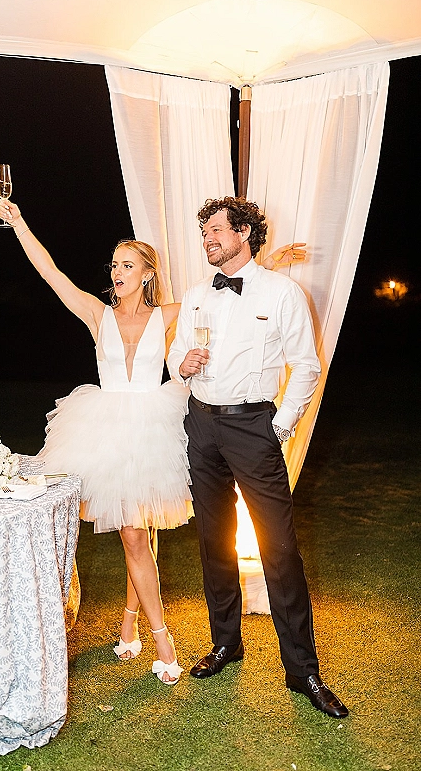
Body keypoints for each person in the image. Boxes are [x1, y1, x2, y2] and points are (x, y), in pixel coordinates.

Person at [0, 196, 304, 687]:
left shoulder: (170, 315)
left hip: (154, 430)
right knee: (134, 534)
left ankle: (129, 620)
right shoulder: (96, 314)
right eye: (114, 264)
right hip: (104, 431)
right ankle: (162, 639)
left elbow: (233, 300)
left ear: (145, 273)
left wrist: (272, 264)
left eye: (126, 264)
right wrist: (19, 223)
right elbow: (50, 273)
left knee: (140, 532)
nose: (116, 271)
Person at [167, 196, 349, 718]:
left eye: (216, 230)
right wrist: (186, 364)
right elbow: (178, 356)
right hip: (201, 424)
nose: (207, 238)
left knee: (279, 549)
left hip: (254, 427)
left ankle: (303, 671)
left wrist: (278, 425)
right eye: (203, 231)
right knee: (213, 540)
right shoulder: (198, 295)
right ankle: (226, 643)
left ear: (244, 232)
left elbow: (306, 367)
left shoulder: (284, 292)